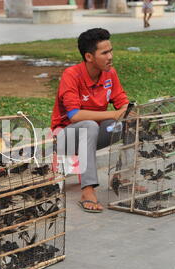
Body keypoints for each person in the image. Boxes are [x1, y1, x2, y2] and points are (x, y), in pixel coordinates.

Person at [50, 28, 131, 213]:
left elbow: (122, 103)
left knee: (130, 123)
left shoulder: (110, 74)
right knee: (88, 126)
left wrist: (129, 111)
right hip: (64, 138)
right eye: (105, 53)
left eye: (111, 51)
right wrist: (113, 114)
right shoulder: (71, 75)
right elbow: (75, 116)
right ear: (89, 56)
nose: (110, 56)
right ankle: (87, 191)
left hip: (93, 135)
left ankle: (122, 176)